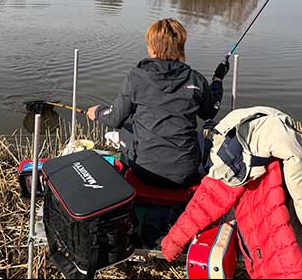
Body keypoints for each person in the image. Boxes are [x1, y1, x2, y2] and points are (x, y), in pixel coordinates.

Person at [86, 18, 229, 188]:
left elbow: (114, 119)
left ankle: (126, 162)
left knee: (126, 126)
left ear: (152, 48)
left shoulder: (136, 77)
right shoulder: (195, 79)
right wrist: (217, 81)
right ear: (181, 46)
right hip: (186, 172)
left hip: (144, 173)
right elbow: (209, 112)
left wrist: (97, 111)